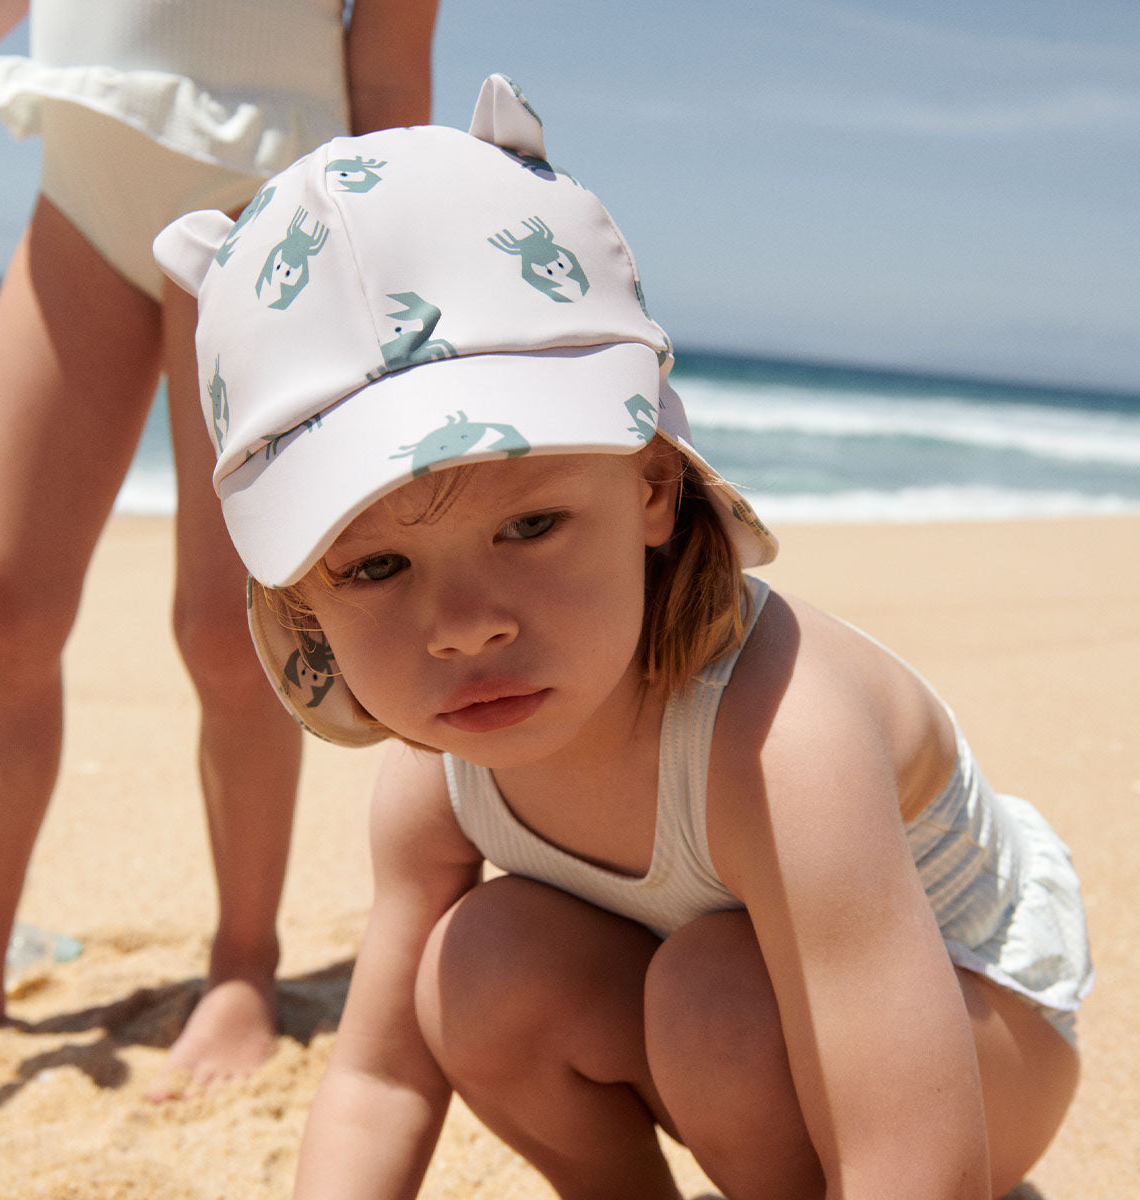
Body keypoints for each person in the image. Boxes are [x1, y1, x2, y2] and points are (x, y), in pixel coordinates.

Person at [154, 74, 1094, 1198]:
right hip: (732, 1033)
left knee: (713, 999)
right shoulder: (433, 779)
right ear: (302, 590)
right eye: (377, 565)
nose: (464, 626)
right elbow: (380, 1086)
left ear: (652, 487)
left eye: (532, 524)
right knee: (475, 971)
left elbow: (912, 1147)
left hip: (971, 1040)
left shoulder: (778, 734)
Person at [0, 0, 438, 1101]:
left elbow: (391, 63)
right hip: (84, 179)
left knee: (227, 627)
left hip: (259, 206)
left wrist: (382, 280)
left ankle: (243, 965)